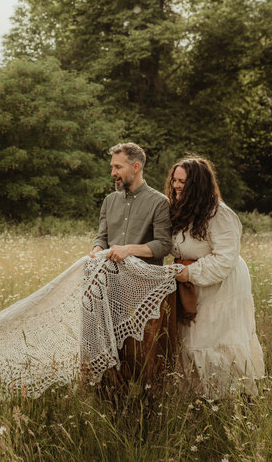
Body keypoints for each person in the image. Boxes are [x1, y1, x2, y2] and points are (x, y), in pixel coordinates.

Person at [166, 156, 265, 398]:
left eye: (183, 182)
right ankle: (200, 398)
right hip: (191, 286)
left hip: (221, 287)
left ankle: (230, 399)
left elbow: (225, 258)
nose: (177, 186)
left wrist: (189, 272)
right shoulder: (179, 211)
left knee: (217, 341)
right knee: (190, 341)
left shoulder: (219, 214)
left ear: (197, 186)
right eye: (175, 180)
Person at [88, 142, 174, 386]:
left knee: (142, 355)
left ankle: (146, 400)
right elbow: (101, 237)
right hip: (109, 288)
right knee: (111, 350)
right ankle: (111, 396)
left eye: (118, 167)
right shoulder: (109, 201)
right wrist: (96, 251)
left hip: (144, 292)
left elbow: (163, 245)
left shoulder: (159, 202)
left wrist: (129, 251)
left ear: (135, 167)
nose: (113, 172)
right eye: (112, 167)